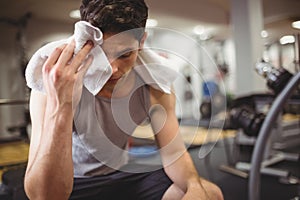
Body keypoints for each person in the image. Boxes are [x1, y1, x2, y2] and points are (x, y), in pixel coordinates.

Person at [24, 0, 224, 199]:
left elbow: (173, 152)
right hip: (73, 181)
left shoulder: (154, 84)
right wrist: (63, 106)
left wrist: (193, 186)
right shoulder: (51, 87)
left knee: (210, 193)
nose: (112, 69)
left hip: (123, 174)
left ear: (142, 41)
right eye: (101, 54)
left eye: (125, 54)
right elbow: (43, 196)